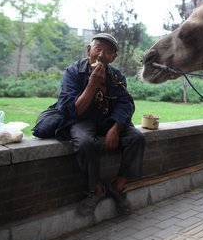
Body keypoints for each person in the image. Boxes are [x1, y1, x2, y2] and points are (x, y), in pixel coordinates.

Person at [56, 33, 145, 216]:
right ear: (89, 50)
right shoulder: (73, 72)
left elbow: (125, 104)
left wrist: (116, 127)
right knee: (85, 143)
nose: (102, 55)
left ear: (113, 57)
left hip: (108, 120)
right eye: (98, 49)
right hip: (82, 120)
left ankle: (118, 187)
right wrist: (92, 85)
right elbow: (72, 110)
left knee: (137, 138)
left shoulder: (116, 76)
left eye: (108, 51)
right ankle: (96, 189)